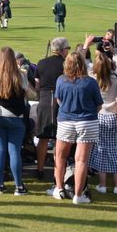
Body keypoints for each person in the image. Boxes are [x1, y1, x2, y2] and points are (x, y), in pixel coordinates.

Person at [51, 50, 102, 204]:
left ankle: (59, 188)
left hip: (66, 120)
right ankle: (78, 195)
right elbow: (99, 105)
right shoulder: (91, 82)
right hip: (87, 121)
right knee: (81, 160)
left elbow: (59, 100)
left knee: (60, 156)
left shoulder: (61, 80)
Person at [0, 46, 29, 195]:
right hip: (16, 117)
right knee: (14, 151)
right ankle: (18, 186)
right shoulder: (20, 75)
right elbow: (28, 94)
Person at [89, 48, 117, 195]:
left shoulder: (92, 78)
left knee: (101, 149)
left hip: (99, 116)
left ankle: (102, 184)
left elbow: (83, 64)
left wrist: (86, 46)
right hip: (115, 116)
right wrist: (114, 51)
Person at [35, 37, 69, 180]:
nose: (68, 51)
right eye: (67, 48)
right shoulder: (65, 64)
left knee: (44, 137)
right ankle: (57, 172)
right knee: (58, 139)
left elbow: (37, 85)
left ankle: (40, 169)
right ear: (62, 50)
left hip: (43, 99)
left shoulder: (41, 63)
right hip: (59, 100)